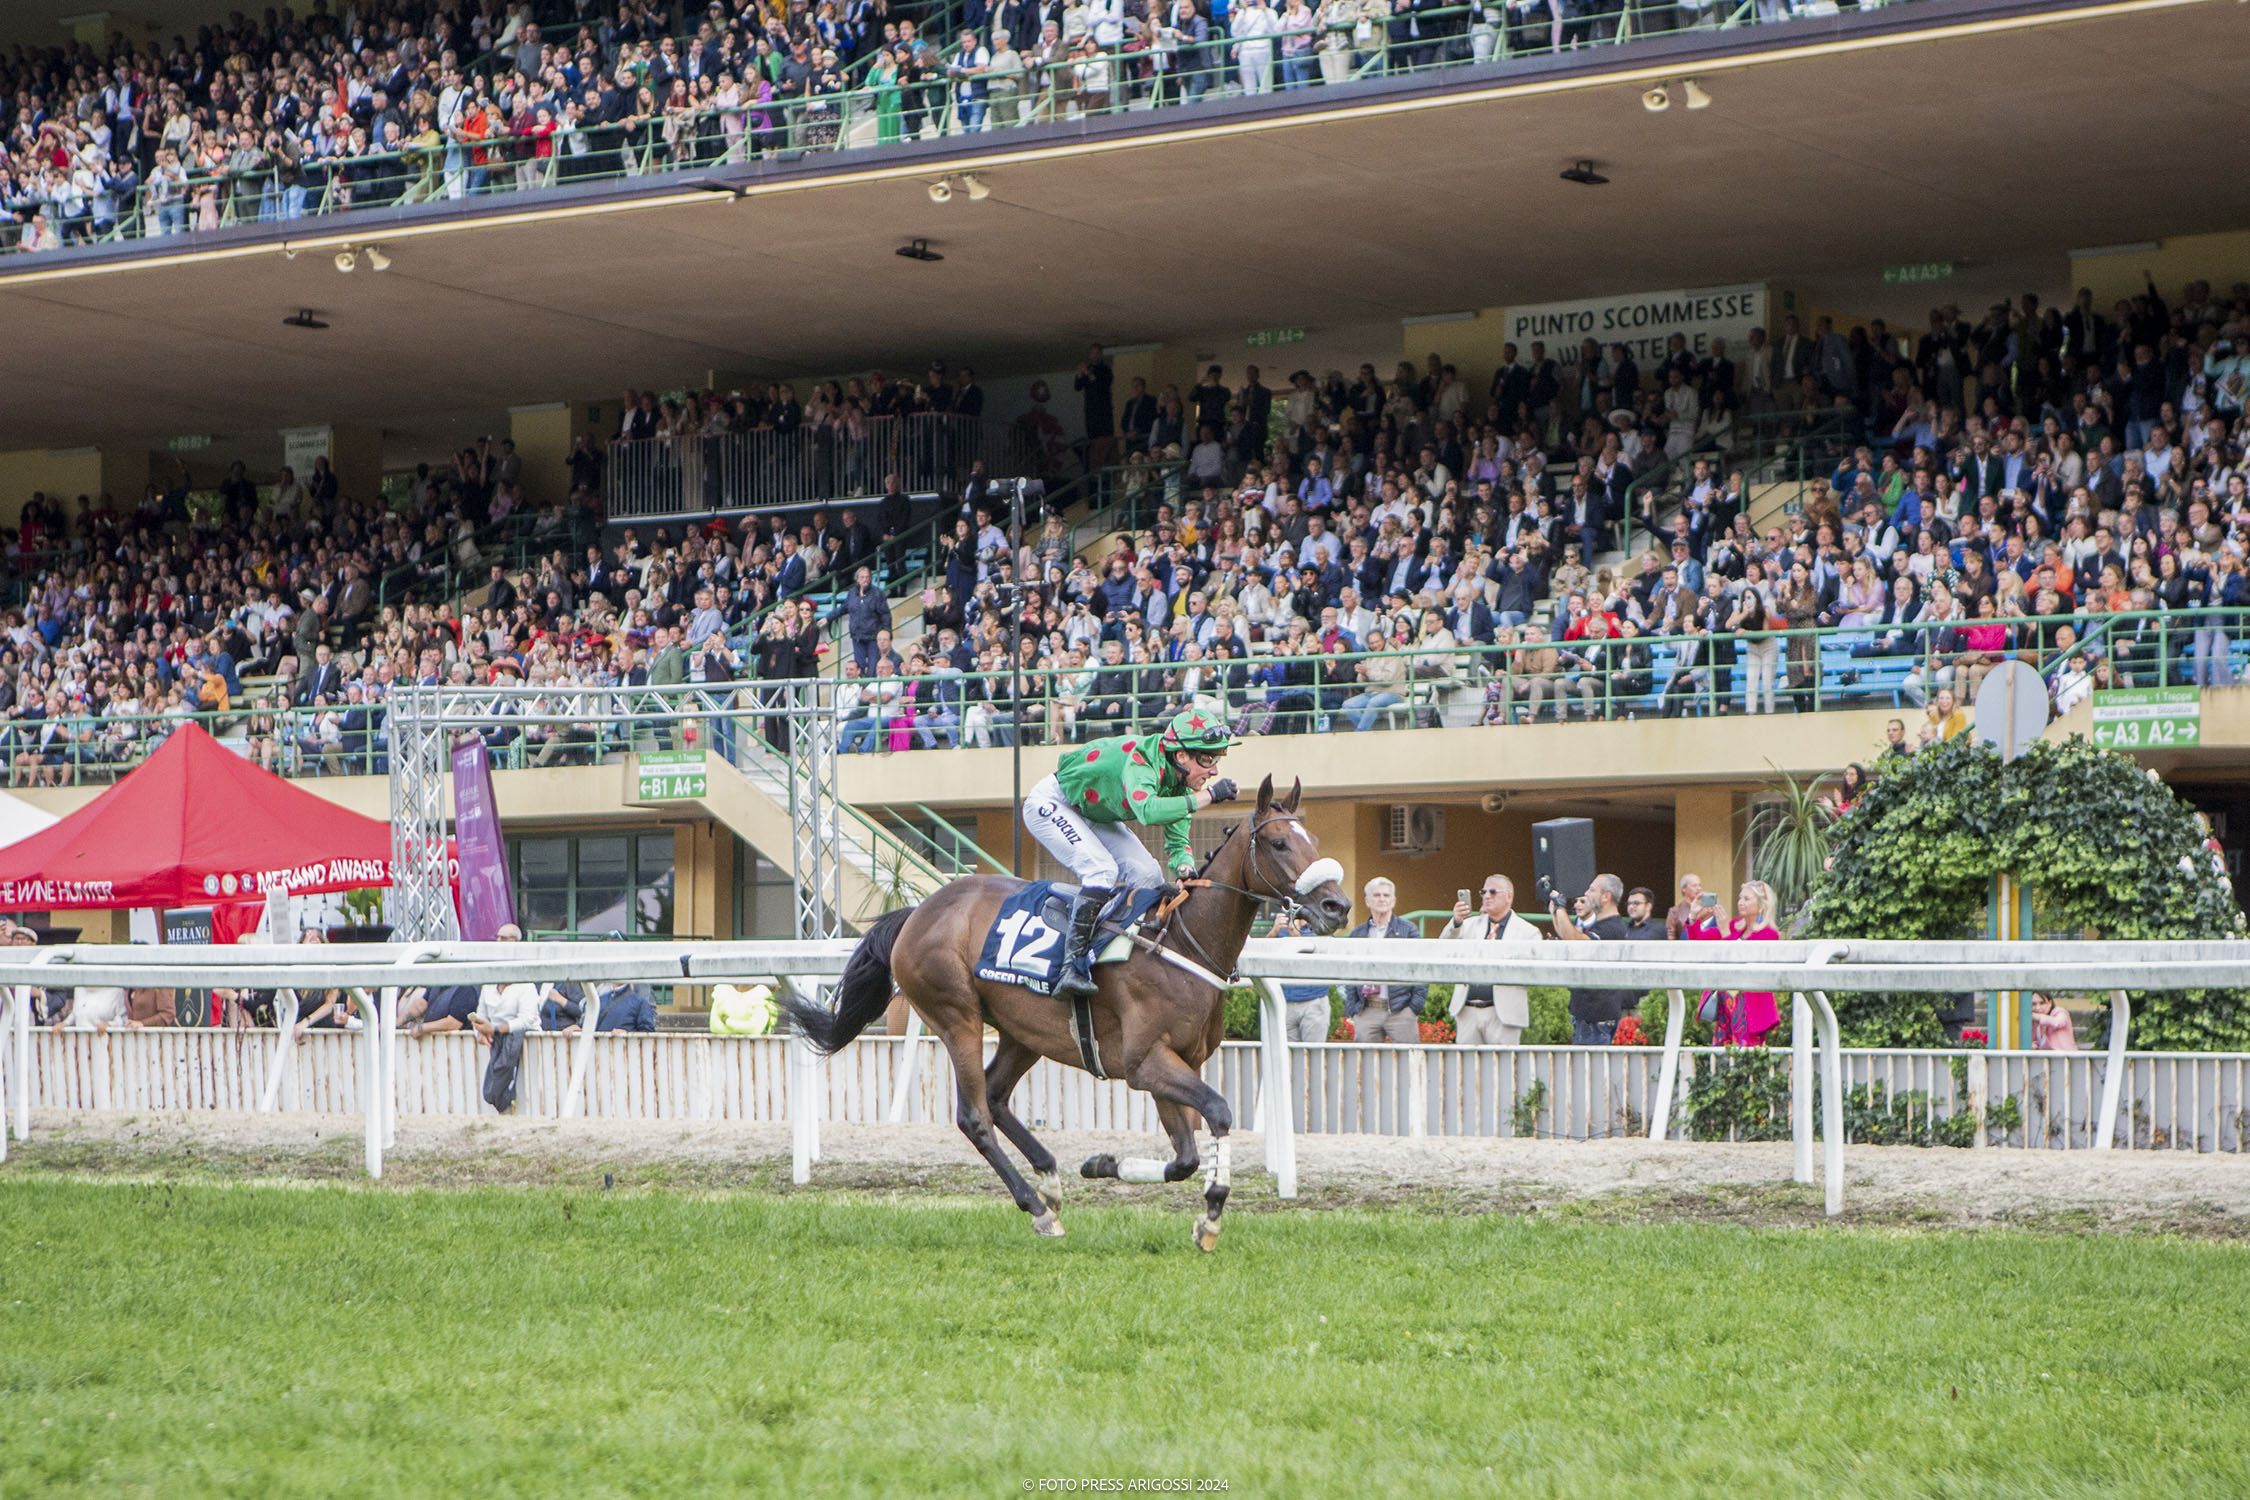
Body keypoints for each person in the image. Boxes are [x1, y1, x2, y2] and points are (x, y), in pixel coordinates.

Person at [1023, 708, 1238, 1001]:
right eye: (1207, 759)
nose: (1214, 770)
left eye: (1216, 759)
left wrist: (1186, 869)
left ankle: (1113, 951)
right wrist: (1209, 796)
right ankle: (1069, 968)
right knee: (1101, 871)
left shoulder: (1178, 784)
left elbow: (1178, 843)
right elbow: (1147, 810)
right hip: (1054, 802)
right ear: (1181, 756)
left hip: (1092, 810)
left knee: (1149, 875)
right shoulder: (1142, 760)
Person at [1439, 873, 1541, 1047]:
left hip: (1503, 1014)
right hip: (1467, 1011)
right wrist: (1456, 922)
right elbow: (1443, 949)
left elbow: (1533, 973)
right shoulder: (1469, 924)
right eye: (1483, 891)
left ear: (1509, 896)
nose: (1486, 896)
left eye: (1493, 892)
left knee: (1503, 1070)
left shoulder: (1528, 932)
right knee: (1466, 1071)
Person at [1685, 880, 1783, 1046]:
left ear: (1761, 905)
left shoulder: (1769, 934)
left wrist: (1724, 932)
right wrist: (1693, 916)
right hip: (1725, 1004)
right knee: (1722, 1054)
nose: (1741, 902)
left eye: (1746, 899)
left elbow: (1742, 961)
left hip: (1750, 1008)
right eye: (1740, 898)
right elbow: (1698, 942)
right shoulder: (1735, 926)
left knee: (1746, 1055)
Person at [1543, 872, 1634, 1044]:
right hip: (1588, 1015)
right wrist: (1556, 913)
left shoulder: (1612, 928)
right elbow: (1569, 938)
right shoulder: (1602, 925)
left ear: (1606, 897)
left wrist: (1561, 908)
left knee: (1589, 1070)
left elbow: (1577, 943)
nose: (1586, 893)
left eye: (1592, 890)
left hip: (1596, 1017)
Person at [1342, 876, 1422, 1043]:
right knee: (1366, 1064)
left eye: (1386, 896)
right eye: (1377, 895)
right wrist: (1353, 1008)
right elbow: (1349, 972)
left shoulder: (1408, 930)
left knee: (1407, 1064)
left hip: (1400, 1011)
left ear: (1393, 901)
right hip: (1368, 1009)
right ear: (1367, 901)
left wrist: (1414, 1007)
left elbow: (1420, 968)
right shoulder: (1358, 934)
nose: (1382, 899)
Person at [1269, 910, 1334, 1041]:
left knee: (1313, 1056)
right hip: (1285, 1002)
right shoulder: (1282, 927)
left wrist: (1297, 937)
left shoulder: (1321, 925)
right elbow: (1264, 958)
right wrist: (1274, 931)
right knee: (1287, 1057)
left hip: (1314, 1002)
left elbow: (1323, 960)